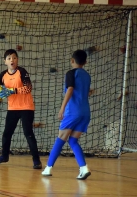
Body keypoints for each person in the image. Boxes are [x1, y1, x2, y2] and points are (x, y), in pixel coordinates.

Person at [0, 49, 42, 169]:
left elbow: (28, 88)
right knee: (7, 133)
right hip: (12, 108)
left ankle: (36, 160)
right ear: (5, 61)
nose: (12, 60)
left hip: (26, 107)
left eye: (14, 58)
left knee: (28, 133)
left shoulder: (22, 72)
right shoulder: (2, 75)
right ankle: (4, 156)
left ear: (17, 60)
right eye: (9, 58)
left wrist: (13, 90)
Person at [41, 49, 91, 180]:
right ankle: (84, 168)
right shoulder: (87, 75)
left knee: (61, 138)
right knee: (73, 140)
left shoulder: (71, 73)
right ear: (85, 62)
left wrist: (62, 108)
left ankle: (48, 168)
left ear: (72, 61)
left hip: (73, 111)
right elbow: (86, 92)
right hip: (85, 112)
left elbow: (70, 89)